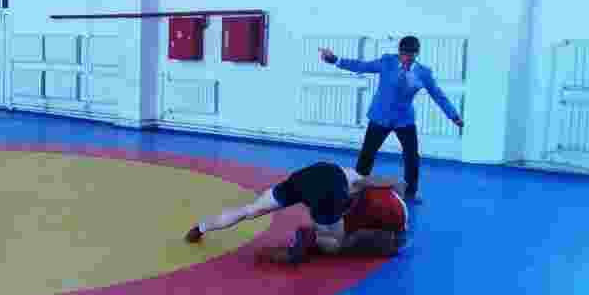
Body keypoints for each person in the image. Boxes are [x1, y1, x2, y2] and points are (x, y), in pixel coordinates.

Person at [319, 36, 463, 203]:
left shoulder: (424, 73)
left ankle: (410, 192)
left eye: (411, 55)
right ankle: (357, 186)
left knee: (412, 157)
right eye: (404, 55)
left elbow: (438, 95)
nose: (406, 59)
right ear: (399, 52)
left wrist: (454, 116)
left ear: (417, 53)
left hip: (404, 120)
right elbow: (362, 66)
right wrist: (334, 60)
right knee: (367, 153)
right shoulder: (387, 62)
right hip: (380, 116)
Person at [184, 161, 407, 262]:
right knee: (333, 246)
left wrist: (396, 184)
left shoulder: (355, 176)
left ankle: (201, 227)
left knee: (250, 210)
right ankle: (309, 237)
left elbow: (379, 181)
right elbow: (373, 184)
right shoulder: (355, 190)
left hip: (309, 176)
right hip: (329, 192)